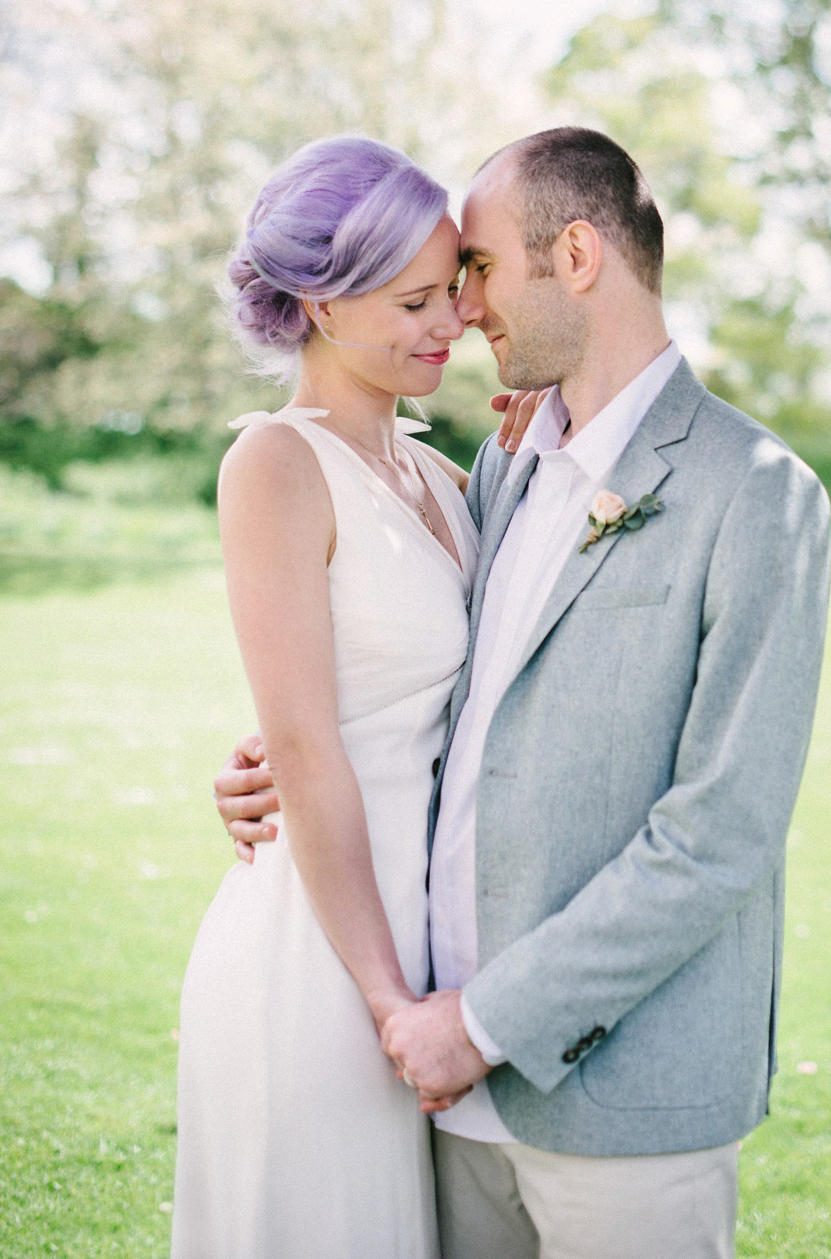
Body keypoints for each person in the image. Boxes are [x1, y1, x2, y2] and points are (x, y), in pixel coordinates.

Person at [216, 127, 831, 1259]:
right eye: (437, 291)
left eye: (480, 272)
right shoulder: (503, 464)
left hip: (615, 1095)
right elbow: (406, 681)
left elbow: (723, 831)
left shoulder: (755, 495)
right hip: (436, 1084)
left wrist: (483, 1024)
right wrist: (278, 763)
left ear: (580, 255)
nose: (463, 312)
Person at [171, 135, 536, 1259]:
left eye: (456, 293)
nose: (452, 324)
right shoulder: (274, 465)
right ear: (321, 306)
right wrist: (385, 1002)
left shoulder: (441, 471)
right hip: (321, 959)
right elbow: (309, 751)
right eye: (415, 300)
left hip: (426, 948)